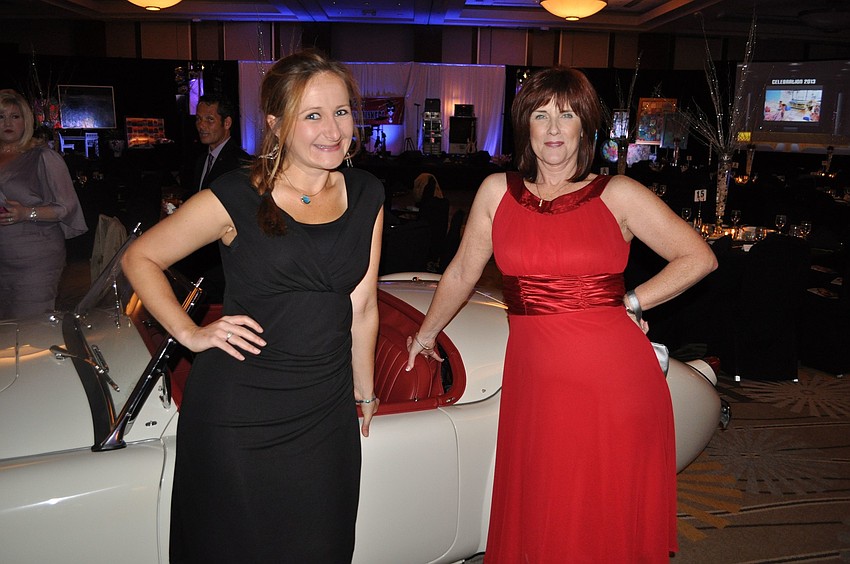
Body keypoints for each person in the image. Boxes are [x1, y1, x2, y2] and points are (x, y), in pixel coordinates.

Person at [405, 66, 717, 562]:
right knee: (547, 498)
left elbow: (699, 257)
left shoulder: (618, 194)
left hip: (613, 378)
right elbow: (463, 271)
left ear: (584, 127)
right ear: (525, 126)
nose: (553, 129)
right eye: (541, 115)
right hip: (536, 377)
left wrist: (631, 302)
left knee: (600, 503)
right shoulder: (496, 192)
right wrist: (425, 334)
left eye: (567, 116)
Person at [122, 49, 384, 562]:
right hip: (239, 411)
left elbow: (364, 304)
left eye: (342, 111)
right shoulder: (236, 196)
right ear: (276, 124)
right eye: (312, 115)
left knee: (320, 543)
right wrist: (191, 333)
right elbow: (140, 258)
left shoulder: (368, 192)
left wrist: (366, 390)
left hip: (324, 411)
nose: (332, 129)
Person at [0, 89, 87, 319]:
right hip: (3, 257)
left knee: (30, 327)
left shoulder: (42, 156)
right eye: (1, 117)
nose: (7, 122)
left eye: (15, 116)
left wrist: (25, 213)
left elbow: (66, 206)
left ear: (26, 120)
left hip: (35, 260)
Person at [178, 93, 253, 299]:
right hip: (200, 255)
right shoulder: (202, 160)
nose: (202, 125)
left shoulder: (242, 163)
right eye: (199, 119)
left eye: (209, 119)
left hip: (224, 262)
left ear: (227, 122)